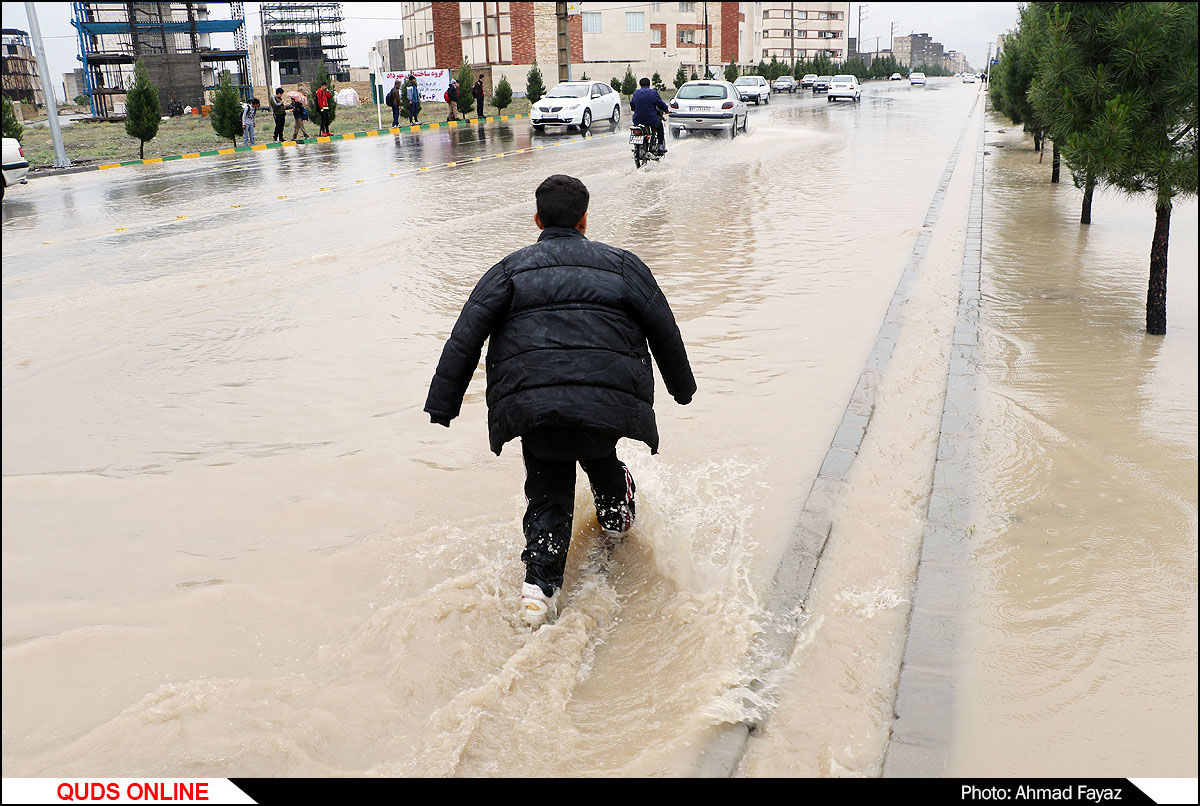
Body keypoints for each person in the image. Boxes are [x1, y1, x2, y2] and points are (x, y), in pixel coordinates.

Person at [424, 174, 696, 629]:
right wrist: (681, 389)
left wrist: (443, 404)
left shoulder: (509, 270)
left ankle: (539, 590)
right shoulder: (623, 266)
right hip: (604, 404)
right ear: (585, 219)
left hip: (535, 408)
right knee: (599, 451)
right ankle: (614, 526)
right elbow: (664, 328)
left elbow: (465, 335)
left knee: (548, 489)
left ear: (537, 220)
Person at [630, 77, 669, 155]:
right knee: (660, 126)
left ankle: (637, 147)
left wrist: (635, 109)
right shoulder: (653, 93)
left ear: (640, 85)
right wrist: (667, 110)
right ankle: (660, 147)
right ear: (649, 85)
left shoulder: (636, 93)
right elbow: (660, 104)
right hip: (651, 120)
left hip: (637, 120)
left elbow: (632, 104)